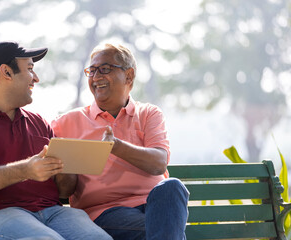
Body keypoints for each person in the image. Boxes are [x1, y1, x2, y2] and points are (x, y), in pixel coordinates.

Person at [0, 42, 112, 240]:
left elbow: (65, 189)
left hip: (51, 212)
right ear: (6, 72)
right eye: (30, 69)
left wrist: (68, 164)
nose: (36, 78)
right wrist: (25, 170)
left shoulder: (39, 122)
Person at [51, 43, 190, 240]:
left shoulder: (149, 114)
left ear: (129, 76)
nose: (96, 77)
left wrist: (115, 146)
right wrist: (67, 162)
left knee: (172, 186)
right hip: (105, 213)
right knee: (166, 230)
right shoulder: (66, 123)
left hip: (156, 205)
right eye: (92, 71)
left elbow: (159, 163)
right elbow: (63, 190)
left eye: (105, 69)